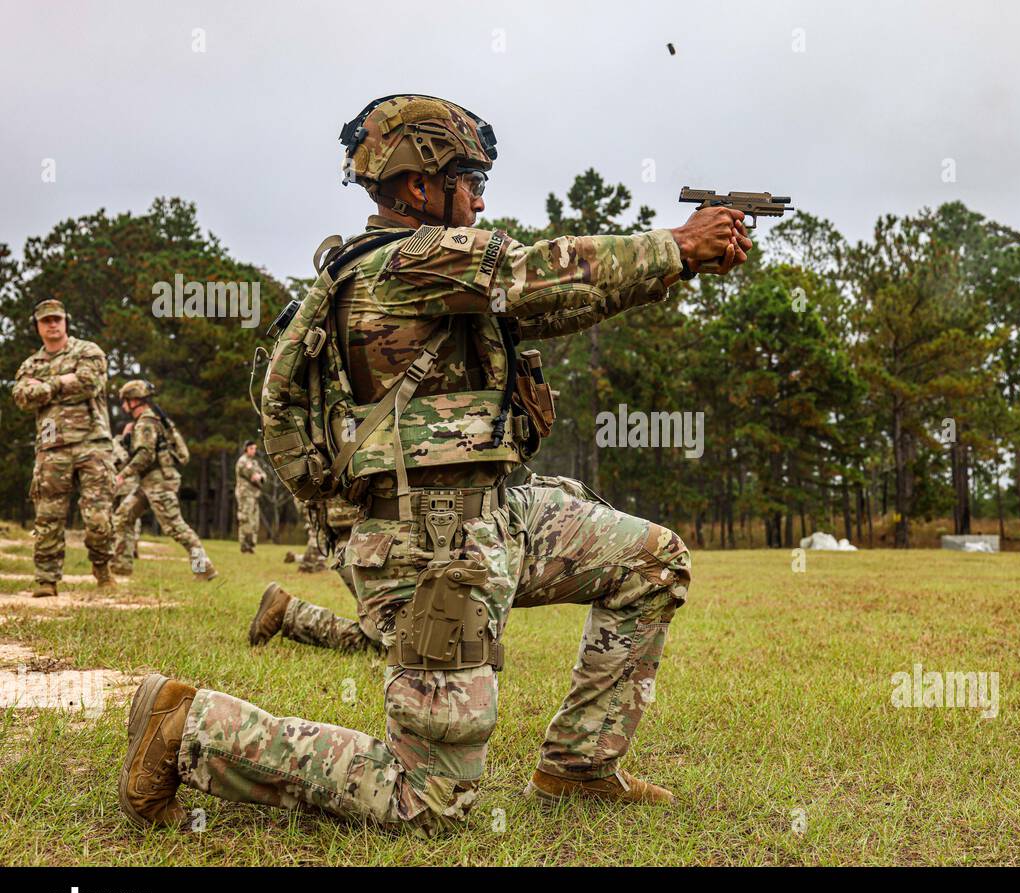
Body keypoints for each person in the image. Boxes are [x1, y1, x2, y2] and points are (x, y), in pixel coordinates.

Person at [119, 93, 748, 834]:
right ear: (418, 187)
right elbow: (543, 274)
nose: (480, 200)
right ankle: (186, 725)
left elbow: (553, 301)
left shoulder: (431, 274)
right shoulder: (412, 261)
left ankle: (579, 764)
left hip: (492, 515)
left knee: (652, 560)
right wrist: (676, 244)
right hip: (428, 550)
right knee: (430, 802)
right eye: (469, 182)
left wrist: (674, 266)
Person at [10, 299, 116, 596]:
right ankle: (46, 579)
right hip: (52, 447)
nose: (52, 325)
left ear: (66, 321)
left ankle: (102, 567)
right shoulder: (31, 363)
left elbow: (88, 383)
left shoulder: (88, 351)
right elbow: (21, 396)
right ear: (38, 326)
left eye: (57, 319)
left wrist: (44, 387)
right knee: (47, 517)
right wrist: (60, 382)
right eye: (46, 321)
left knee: (98, 518)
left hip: (92, 444)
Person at [111, 380, 217, 580]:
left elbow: (145, 456)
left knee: (176, 528)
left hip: (158, 483)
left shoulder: (145, 423)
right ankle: (121, 567)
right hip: (149, 482)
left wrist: (122, 475)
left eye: (125, 401)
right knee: (123, 517)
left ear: (134, 401)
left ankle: (204, 569)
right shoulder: (150, 421)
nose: (123, 405)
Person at [249, 500, 383, 655]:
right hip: (371, 542)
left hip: (365, 539)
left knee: (393, 646)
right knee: (402, 644)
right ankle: (290, 613)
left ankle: (291, 613)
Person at [109, 420, 143, 574]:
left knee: (129, 517)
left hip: (130, 486)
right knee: (112, 518)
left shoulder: (137, 443)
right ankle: (113, 549)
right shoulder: (114, 443)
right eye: (129, 429)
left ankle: (131, 546)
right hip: (114, 486)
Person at [234, 440, 265, 553]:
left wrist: (260, 476)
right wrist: (257, 476)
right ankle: (245, 546)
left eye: (255, 448)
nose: (254, 451)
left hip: (254, 495)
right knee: (245, 519)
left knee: (254, 521)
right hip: (245, 494)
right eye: (251, 448)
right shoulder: (242, 461)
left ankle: (251, 546)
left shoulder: (254, 462)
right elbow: (252, 476)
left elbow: (263, 476)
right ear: (246, 449)